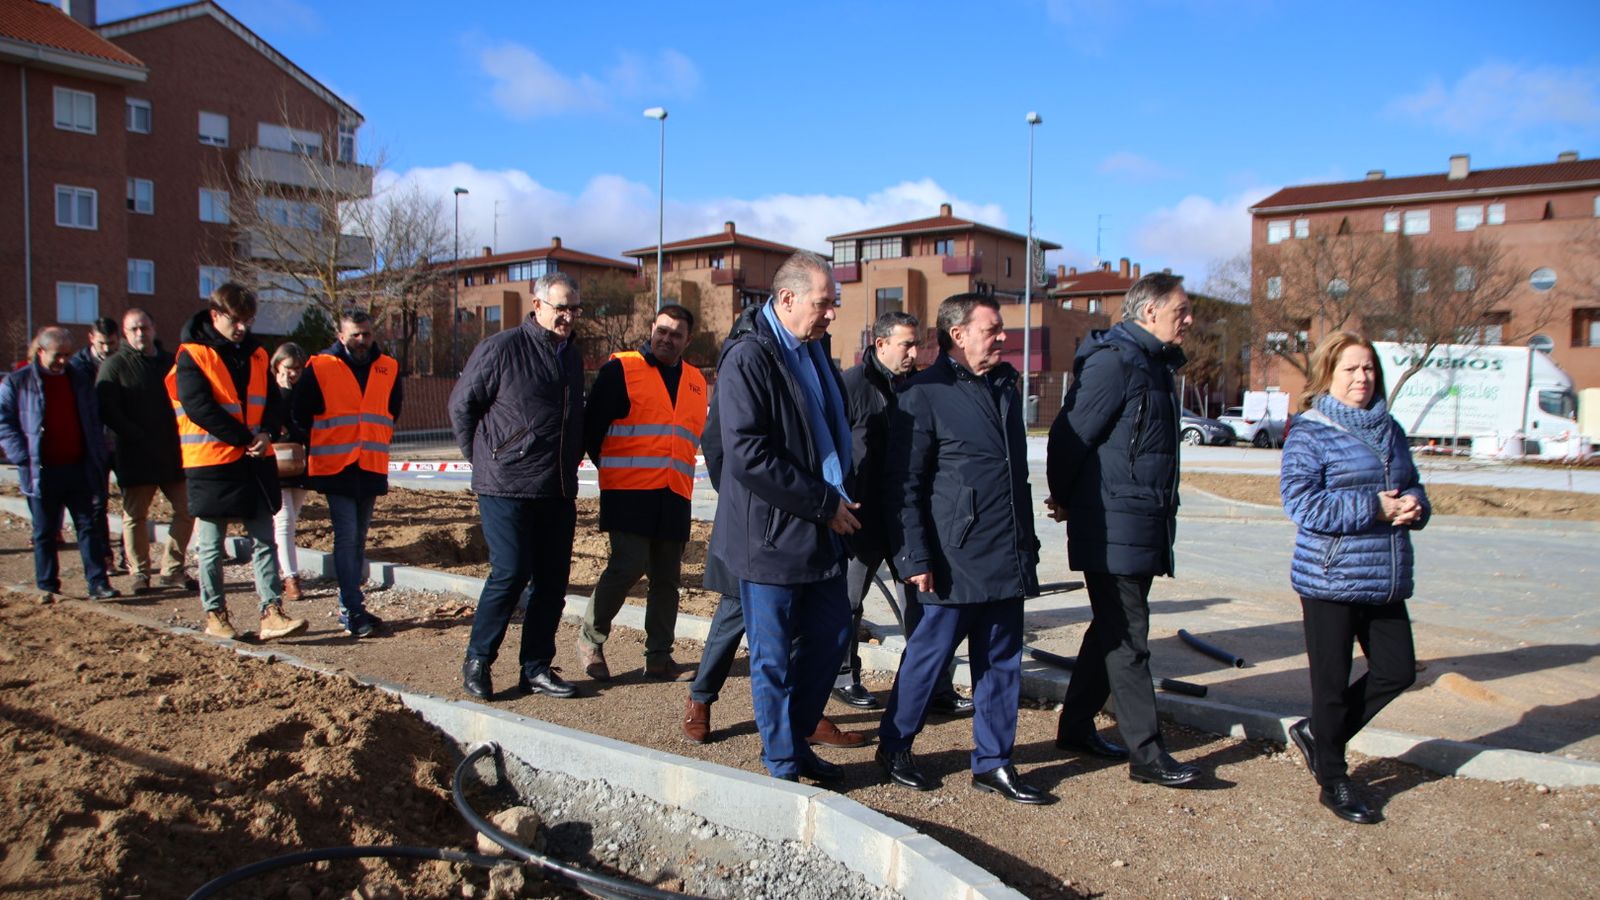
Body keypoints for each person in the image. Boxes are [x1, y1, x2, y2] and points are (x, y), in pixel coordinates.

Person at [876, 294, 1049, 804]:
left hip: (1005, 552)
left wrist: (1026, 544)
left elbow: (1013, 478)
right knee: (928, 659)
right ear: (958, 334)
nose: (1002, 337)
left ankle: (994, 762)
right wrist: (914, 557)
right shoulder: (923, 393)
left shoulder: (1004, 386)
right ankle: (894, 746)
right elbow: (903, 485)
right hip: (952, 559)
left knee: (1001, 663)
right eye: (992, 329)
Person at [682, 302, 866, 751]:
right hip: (757, 522)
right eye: (822, 303)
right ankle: (701, 697)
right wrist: (744, 504)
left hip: (806, 518)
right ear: (788, 301)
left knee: (805, 627)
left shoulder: (814, 353)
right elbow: (721, 444)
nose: (830, 315)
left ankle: (804, 718)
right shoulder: (749, 355)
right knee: (733, 617)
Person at [1046, 271, 1203, 788]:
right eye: (1181, 310)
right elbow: (1068, 437)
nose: (1189, 319)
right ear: (1150, 312)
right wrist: (1065, 497)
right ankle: (1147, 754)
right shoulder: (1115, 362)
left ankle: (1075, 726)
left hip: (1140, 521)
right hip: (1111, 523)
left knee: (1111, 630)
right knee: (1129, 636)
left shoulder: (1154, 364)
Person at [1280, 331, 1427, 825]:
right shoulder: (1310, 431)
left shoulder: (1390, 427)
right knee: (1330, 685)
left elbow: (1411, 482)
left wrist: (1415, 505)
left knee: (1397, 671)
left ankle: (1319, 736)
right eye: (1351, 369)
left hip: (1384, 575)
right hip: (1330, 577)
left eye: (1368, 368)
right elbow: (1301, 503)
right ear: (1329, 375)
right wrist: (1374, 507)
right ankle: (1334, 779)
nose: (1362, 378)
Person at [451, 271, 585, 701]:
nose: (568, 316)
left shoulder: (571, 356)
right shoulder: (501, 348)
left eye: (574, 309)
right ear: (537, 305)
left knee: (552, 583)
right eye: (560, 307)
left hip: (556, 487)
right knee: (510, 573)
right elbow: (462, 406)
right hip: (505, 485)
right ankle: (478, 659)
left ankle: (536, 667)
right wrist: (485, 458)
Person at [171, 283, 306, 642]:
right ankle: (215, 614)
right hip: (210, 463)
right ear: (215, 315)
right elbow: (199, 407)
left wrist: (266, 433)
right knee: (211, 546)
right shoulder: (192, 354)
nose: (243, 327)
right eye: (236, 320)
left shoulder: (257, 354)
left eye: (249, 320)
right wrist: (246, 437)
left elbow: (273, 401)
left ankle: (272, 612)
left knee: (264, 539)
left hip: (254, 462)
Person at [577, 304, 705, 681]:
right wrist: (612, 470)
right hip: (628, 492)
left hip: (674, 493)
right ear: (651, 329)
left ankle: (659, 657)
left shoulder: (696, 381)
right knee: (628, 565)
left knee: (667, 578)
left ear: (687, 340)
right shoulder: (622, 369)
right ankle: (591, 639)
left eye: (676, 334)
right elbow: (592, 429)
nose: (667, 339)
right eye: (662, 331)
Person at [291, 310, 402, 637]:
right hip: (336, 466)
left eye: (366, 334)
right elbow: (300, 412)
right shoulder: (321, 366)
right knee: (347, 536)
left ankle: (351, 606)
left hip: (369, 464)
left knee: (359, 538)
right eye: (355, 335)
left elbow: (392, 410)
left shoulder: (388, 367)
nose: (362, 340)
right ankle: (353, 609)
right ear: (341, 336)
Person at [0, 327, 118, 600]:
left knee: (88, 526)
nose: (63, 361)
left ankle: (98, 582)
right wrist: (22, 455)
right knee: (45, 531)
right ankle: (47, 584)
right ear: (40, 351)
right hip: (41, 469)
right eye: (57, 355)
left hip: (78, 466)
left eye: (67, 354)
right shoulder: (18, 382)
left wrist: (97, 453)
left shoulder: (78, 380)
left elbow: (93, 418)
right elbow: (4, 421)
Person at [95, 309, 196, 594]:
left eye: (144, 327)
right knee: (134, 516)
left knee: (187, 510)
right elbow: (107, 409)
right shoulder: (114, 366)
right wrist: (135, 434)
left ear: (154, 327)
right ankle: (140, 572)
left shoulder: (171, 362)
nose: (140, 333)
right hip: (135, 454)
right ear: (125, 333)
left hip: (172, 453)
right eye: (134, 329)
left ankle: (172, 569)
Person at [70, 315, 121, 575]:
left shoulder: (124, 361)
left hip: (122, 441)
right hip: (93, 444)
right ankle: (105, 557)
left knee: (131, 500)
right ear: (91, 338)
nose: (107, 348)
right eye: (102, 343)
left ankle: (128, 555)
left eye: (111, 343)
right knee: (98, 502)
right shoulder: (78, 368)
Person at [270, 343, 309, 601]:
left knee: (292, 518)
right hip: (276, 463)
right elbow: (273, 422)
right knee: (284, 519)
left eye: (298, 369)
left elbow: (305, 425)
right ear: (277, 366)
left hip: (300, 463)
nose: (293, 373)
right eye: (288, 368)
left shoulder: (304, 391)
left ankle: (279, 569)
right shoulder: (270, 390)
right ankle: (290, 577)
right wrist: (284, 392)